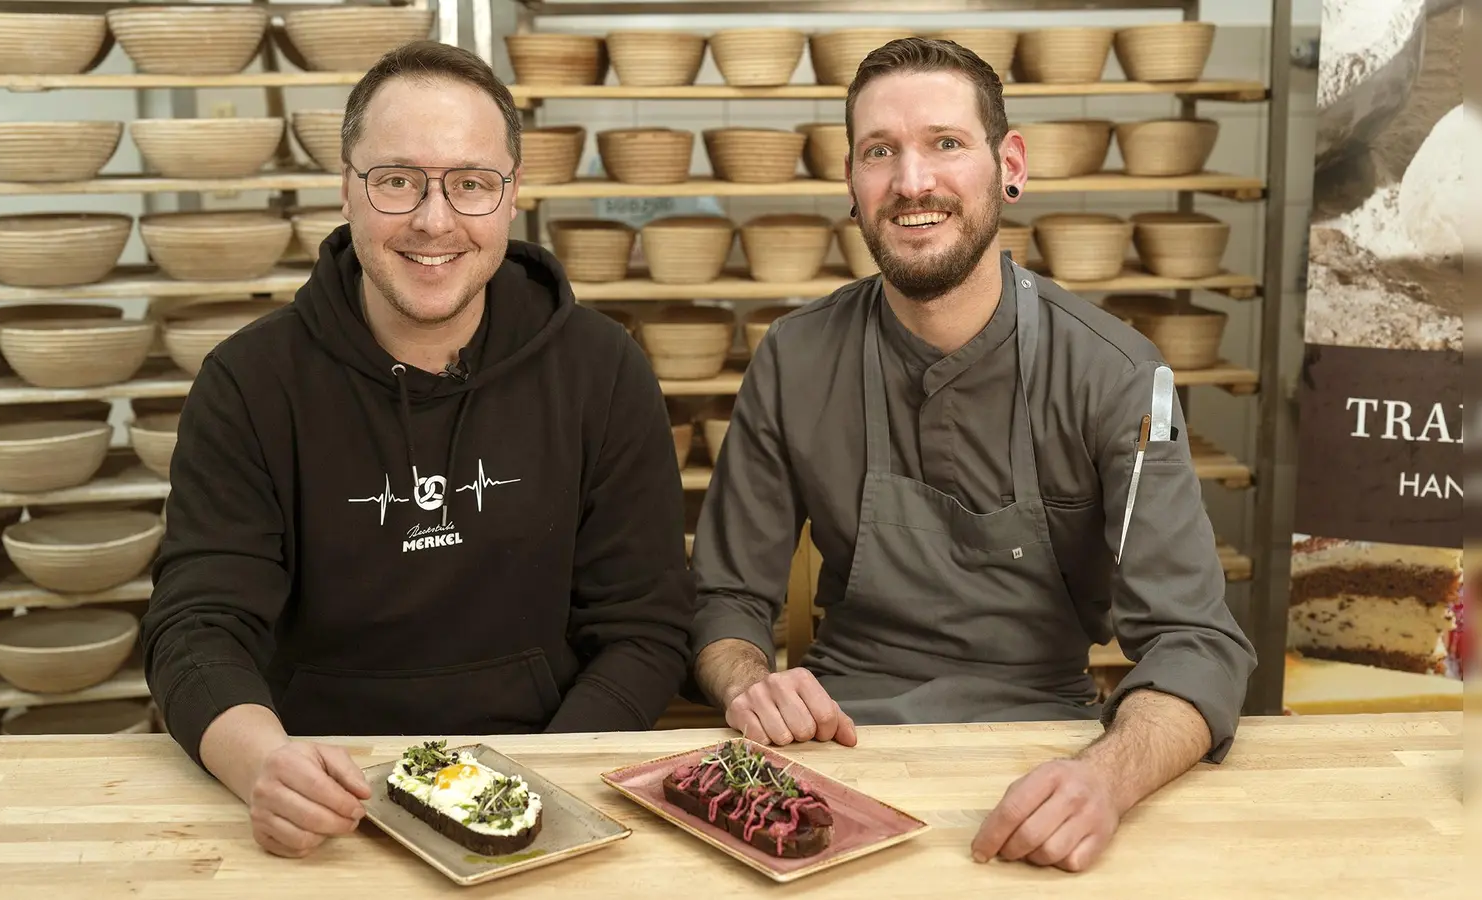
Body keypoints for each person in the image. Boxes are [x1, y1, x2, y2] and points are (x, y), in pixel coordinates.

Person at [688, 38, 1257, 873]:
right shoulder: (795, 358)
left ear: (1009, 165)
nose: (912, 182)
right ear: (852, 181)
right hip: (836, 750)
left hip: (1045, 751)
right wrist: (747, 683)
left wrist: (1106, 776)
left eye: (946, 144)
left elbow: (1197, 642)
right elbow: (725, 600)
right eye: (881, 152)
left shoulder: (1120, 375)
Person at [141, 41, 694, 859]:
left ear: (511, 198)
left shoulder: (602, 369)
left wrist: (533, 791)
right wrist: (263, 765)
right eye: (397, 180)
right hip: (330, 793)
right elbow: (195, 626)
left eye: (470, 183)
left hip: (547, 782)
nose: (435, 220)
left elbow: (647, 627)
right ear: (346, 191)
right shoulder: (249, 382)